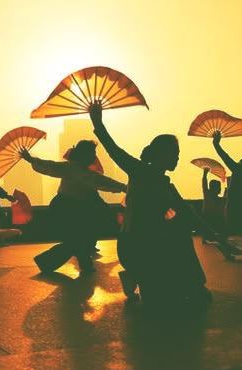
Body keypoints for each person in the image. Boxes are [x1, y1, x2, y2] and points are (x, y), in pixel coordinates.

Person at [89, 102, 217, 309]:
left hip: (156, 243)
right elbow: (114, 150)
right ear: (159, 154)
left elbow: (187, 212)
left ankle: (189, 284)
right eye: (173, 152)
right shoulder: (139, 171)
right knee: (158, 303)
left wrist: (212, 232)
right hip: (136, 244)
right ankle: (138, 275)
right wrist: (97, 122)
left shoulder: (167, 186)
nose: (177, 157)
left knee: (180, 229)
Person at [20, 140, 126, 275]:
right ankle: (51, 262)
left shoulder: (83, 171)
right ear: (83, 155)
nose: (94, 157)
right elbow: (51, 166)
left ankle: (57, 262)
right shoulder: (72, 168)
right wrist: (31, 159)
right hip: (67, 209)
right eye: (92, 153)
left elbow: (102, 182)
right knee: (77, 239)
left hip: (72, 208)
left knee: (77, 239)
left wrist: (124, 187)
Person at [212, 132, 242, 245]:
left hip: (234, 215)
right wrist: (216, 145)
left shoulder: (239, 171)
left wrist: (216, 144)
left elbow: (226, 159)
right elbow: (226, 158)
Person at [201, 168, 226, 240]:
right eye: (219, 187)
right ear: (213, 188)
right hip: (208, 216)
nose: (220, 189)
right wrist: (205, 174)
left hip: (213, 217)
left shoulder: (218, 198)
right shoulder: (208, 194)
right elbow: (204, 184)